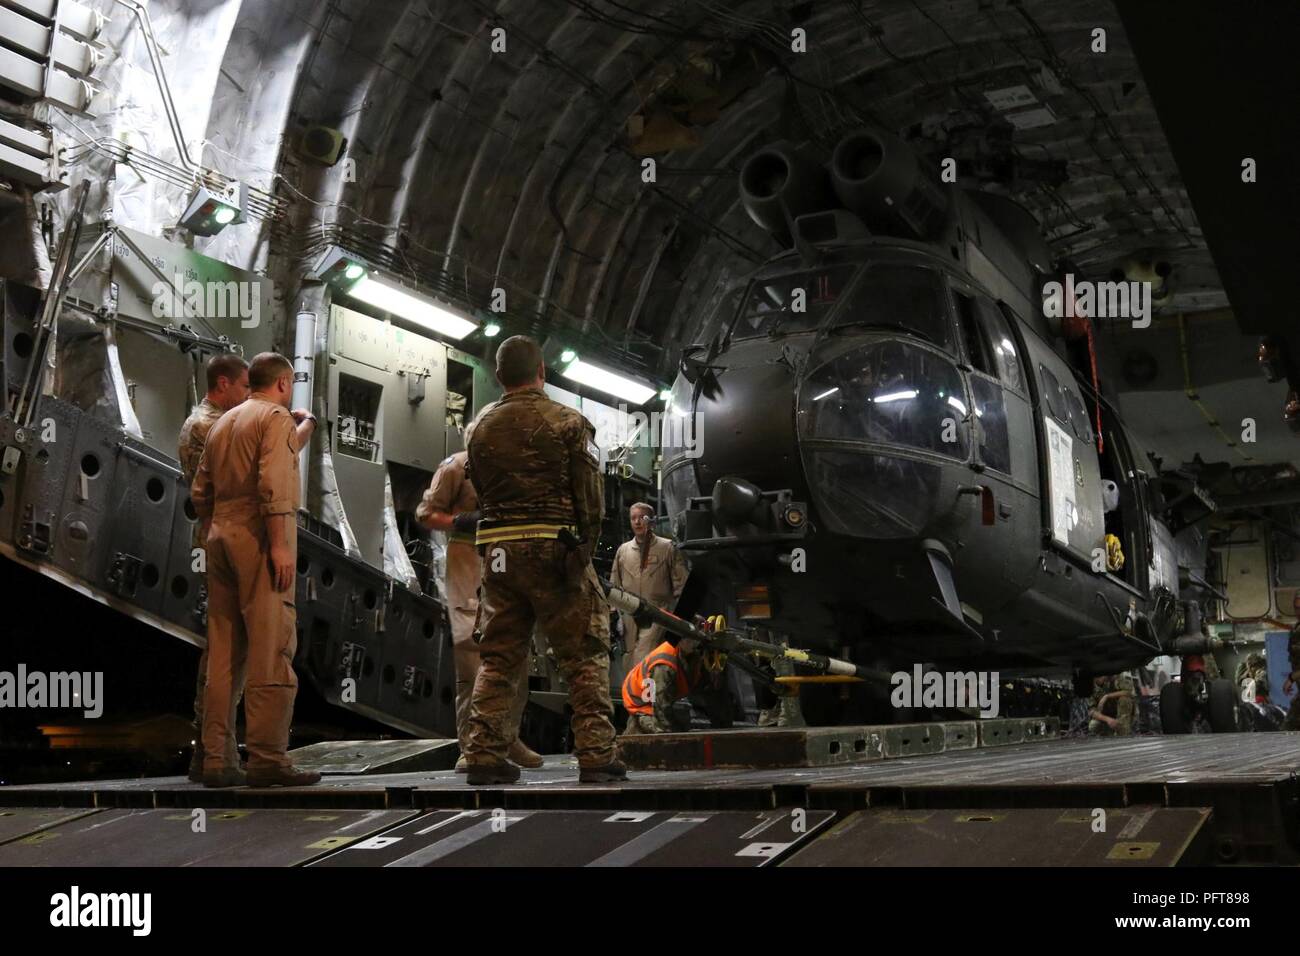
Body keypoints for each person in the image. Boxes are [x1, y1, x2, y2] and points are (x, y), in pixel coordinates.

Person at [461, 335, 624, 785]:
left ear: (498, 376)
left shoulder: (477, 429)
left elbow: (481, 493)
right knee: (583, 653)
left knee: (499, 656)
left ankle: (483, 753)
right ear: (543, 371)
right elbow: (591, 503)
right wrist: (583, 553)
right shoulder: (569, 423)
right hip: (556, 549)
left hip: (497, 554)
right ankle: (595, 754)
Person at [191, 352, 318, 788]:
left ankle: (216, 760)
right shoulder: (276, 419)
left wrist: (213, 528)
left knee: (224, 654)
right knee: (270, 646)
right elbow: (275, 486)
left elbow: (200, 490)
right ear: (283, 385)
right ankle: (267, 759)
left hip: (219, 536)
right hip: (259, 537)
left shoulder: (223, 421)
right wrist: (280, 545)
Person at [416, 450, 543, 772]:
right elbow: (425, 514)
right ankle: (473, 747)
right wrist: (460, 521)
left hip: (509, 563)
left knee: (516, 659)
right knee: (472, 663)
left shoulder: (517, 463)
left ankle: (507, 739)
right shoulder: (457, 467)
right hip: (468, 563)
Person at [177, 353, 249, 782]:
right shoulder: (213, 425)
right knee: (228, 649)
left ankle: (208, 752)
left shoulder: (200, 422)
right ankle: (215, 754)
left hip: (210, 538)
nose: (244, 396)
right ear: (223, 384)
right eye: (242, 388)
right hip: (225, 540)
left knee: (219, 647)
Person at [610, 503, 689, 667]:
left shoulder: (667, 548)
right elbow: (614, 586)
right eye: (633, 518)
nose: (637, 522)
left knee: (645, 661)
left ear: (652, 521)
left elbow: (682, 587)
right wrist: (614, 616)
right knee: (629, 663)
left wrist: (681, 625)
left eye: (642, 518)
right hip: (628, 619)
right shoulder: (623, 551)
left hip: (657, 616)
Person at [621, 638, 705, 734]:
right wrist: (669, 734)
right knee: (664, 736)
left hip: (659, 704)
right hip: (645, 711)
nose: (696, 643)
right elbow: (660, 708)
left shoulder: (688, 655)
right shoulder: (664, 666)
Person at [1087, 672, 1135, 736]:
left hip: (1121, 713)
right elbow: (1091, 711)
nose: (1099, 679)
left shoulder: (1115, 677)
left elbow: (1128, 692)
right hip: (1107, 716)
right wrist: (1108, 719)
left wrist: (1107, 696)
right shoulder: (1090, 687)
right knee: (1093, 726)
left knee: (1124, 699)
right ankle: (1110, 731)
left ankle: (1123, 730)